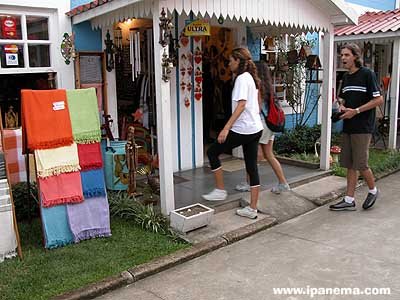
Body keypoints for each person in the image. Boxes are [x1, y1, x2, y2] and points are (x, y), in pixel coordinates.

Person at [202, 47, 263, 219]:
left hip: (243, 129)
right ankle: (252, 209)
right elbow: (256, 104)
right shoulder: (250, 77)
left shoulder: (242, 78)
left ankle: (221, 190)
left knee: (212, 152)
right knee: (251, 167)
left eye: (230, 61)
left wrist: (226, 127)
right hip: (255, 128)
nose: (228, 64)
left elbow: (241, 105)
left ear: (238, 61)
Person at [329, 43, 383, 211]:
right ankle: (349, 199)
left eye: (346, 55)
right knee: (350, 164)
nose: (343, 58)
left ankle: (373, 190)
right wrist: (342, 105)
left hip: (363, 126)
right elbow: (343, 98)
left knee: (361, 163)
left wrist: (356, 111)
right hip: (348, 125)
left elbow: (378, 100)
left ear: (355, 57)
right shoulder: (346, 77)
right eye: (342, 55)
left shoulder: (367, 74)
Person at [235, 61, 290, 194]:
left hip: (261, 124)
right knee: (269, 155)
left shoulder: (257, 86)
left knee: (253, 156)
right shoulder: (268, 87)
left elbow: (257, 108)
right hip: (269, 124)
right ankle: (283, 183)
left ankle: (249, 184)